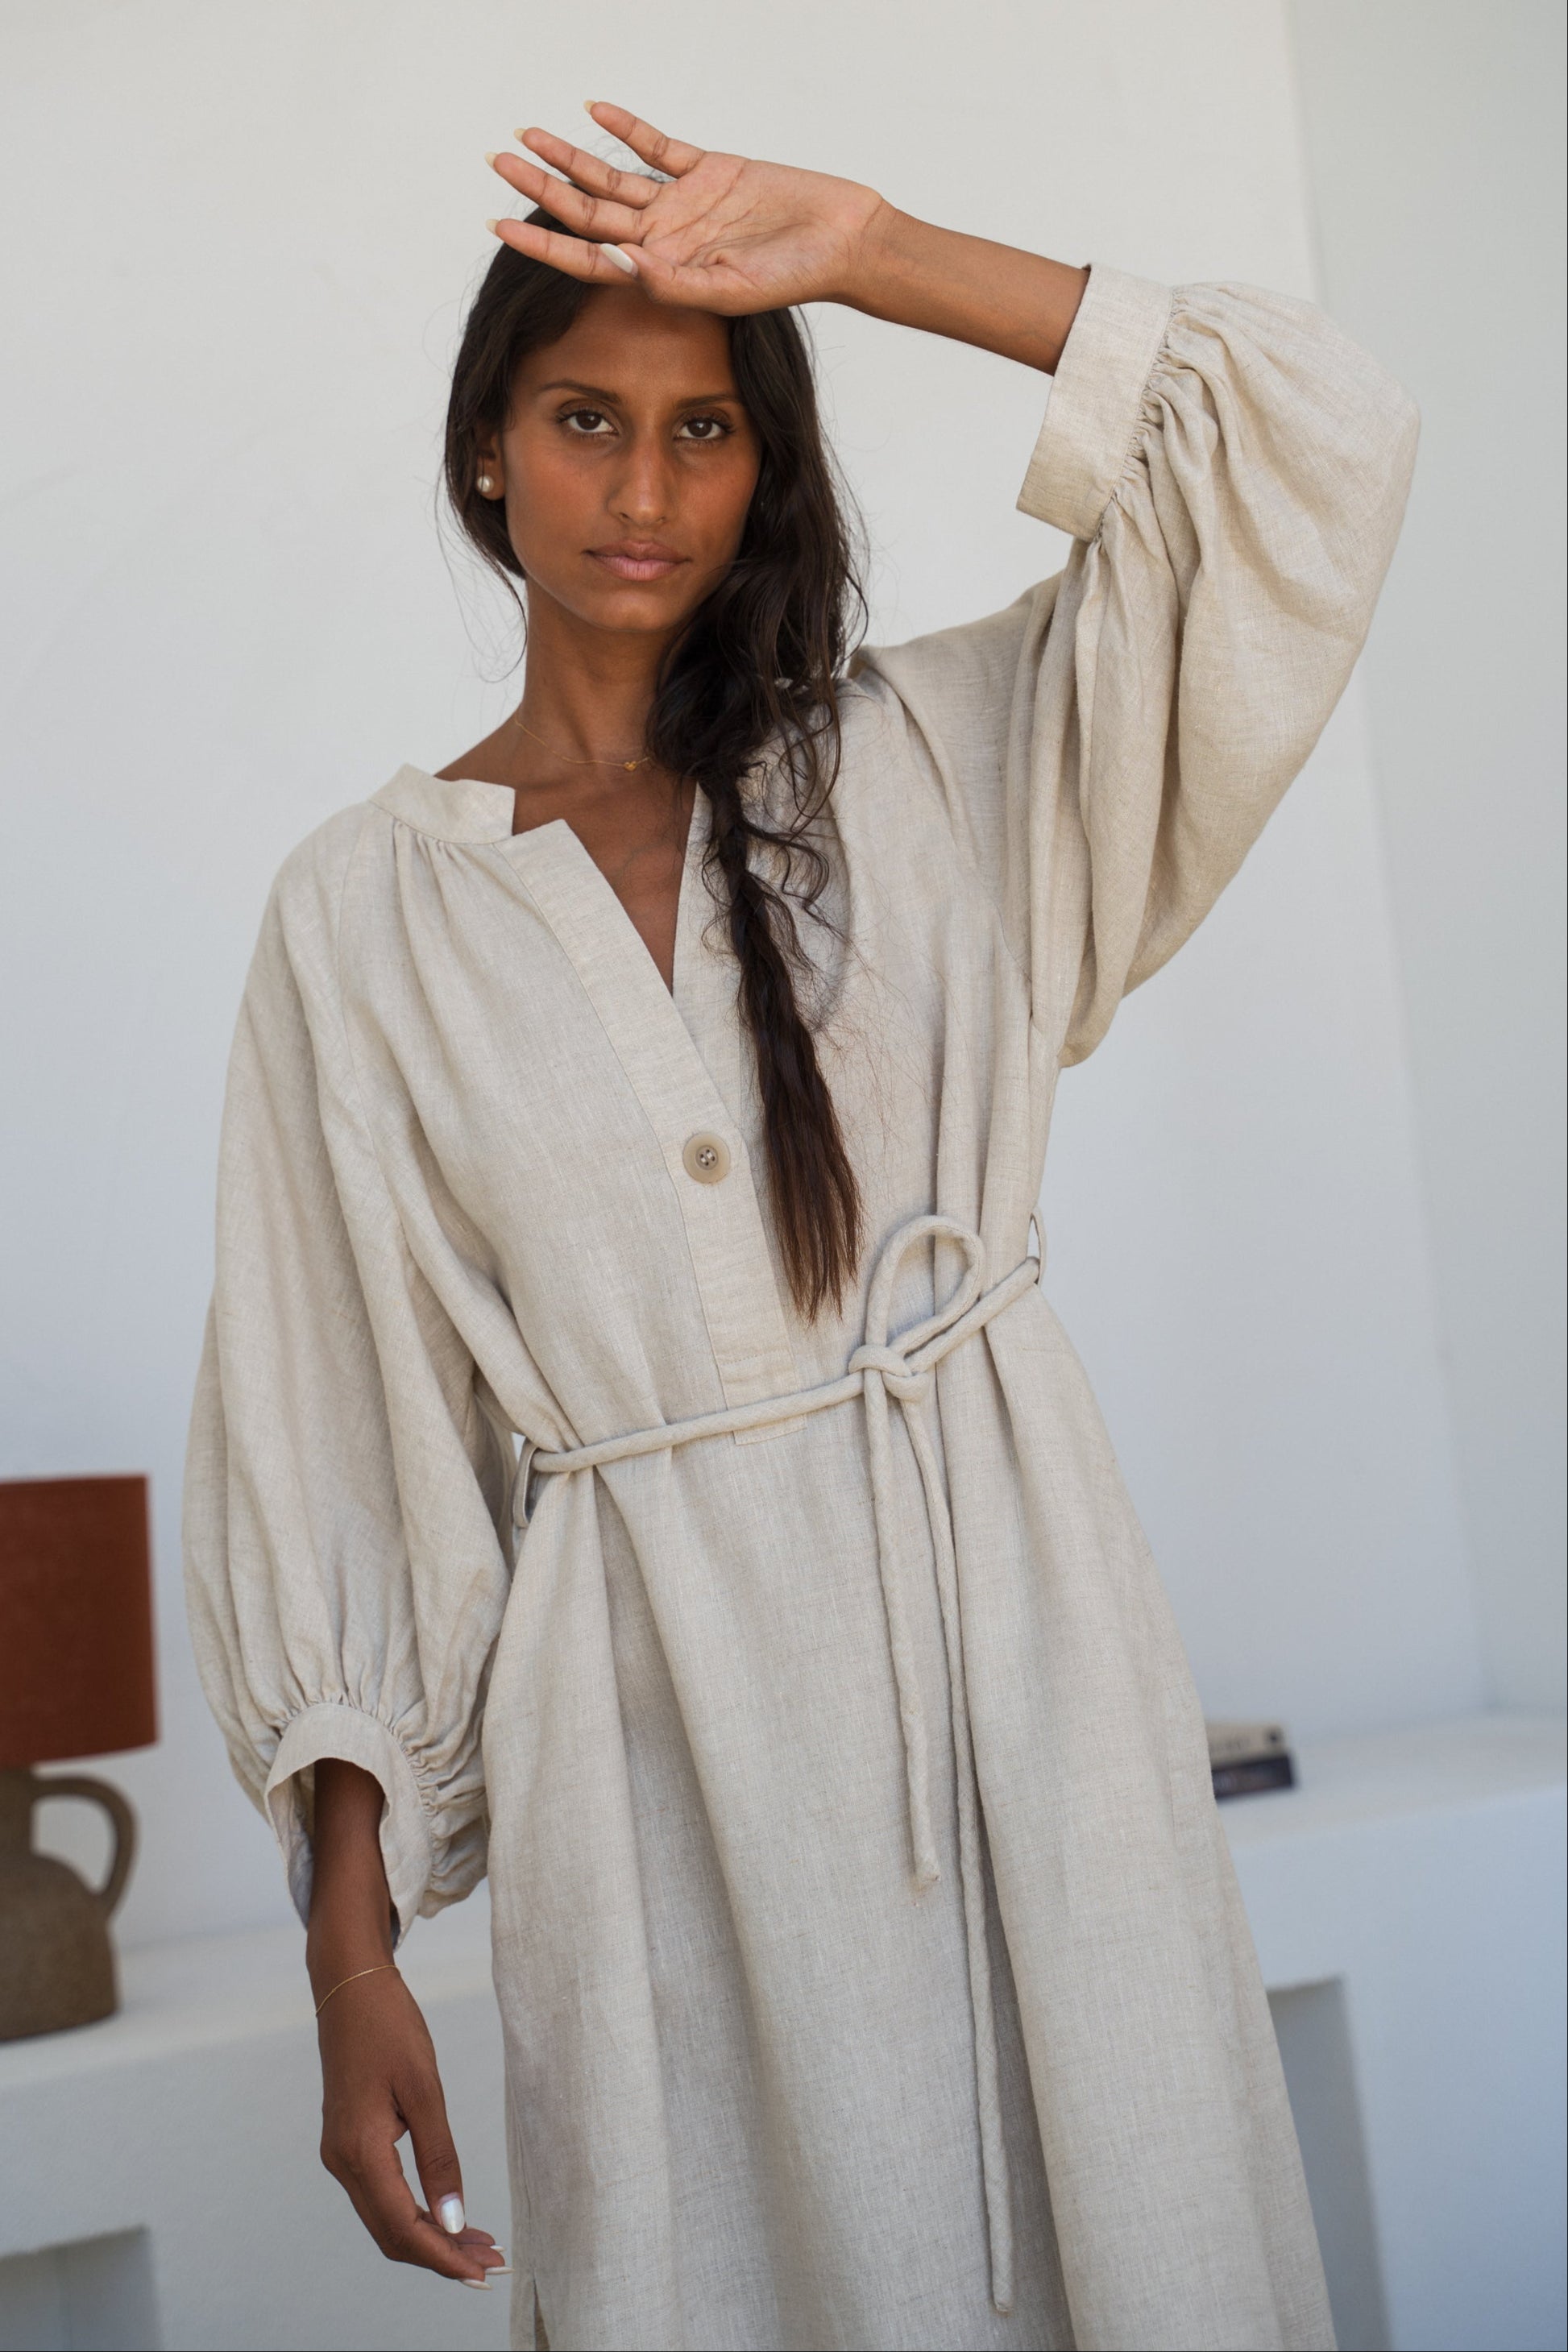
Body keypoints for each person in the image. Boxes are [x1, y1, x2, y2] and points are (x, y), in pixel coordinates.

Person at [182, 99, 1417, 2352]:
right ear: (484, 453)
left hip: (1020, 1665)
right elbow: (333, 1430)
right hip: (645, 1761)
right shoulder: (361, 916)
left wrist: (871, 250)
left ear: (767, 473)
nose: (644, 490)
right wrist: (350, 1958)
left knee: (1129, 2244)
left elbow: (1304, 449)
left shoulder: (938, 765)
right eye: (583, 421)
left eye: (705, 430)